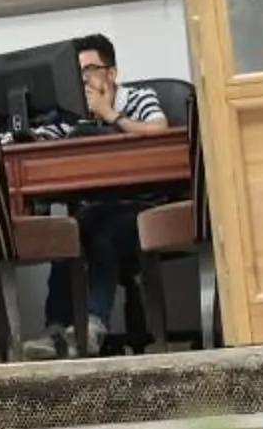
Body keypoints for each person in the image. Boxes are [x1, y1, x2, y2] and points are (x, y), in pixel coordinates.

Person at [29, 33, 170, 355]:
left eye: (91, 69)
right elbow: (38, 141)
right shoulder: (71, 111)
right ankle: (55, 331)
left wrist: (110, 115)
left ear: (112, 72)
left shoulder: (138, 98)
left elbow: (159, 129)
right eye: (78, 73)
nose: (84, 79)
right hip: (92, 210)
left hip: (140, 208)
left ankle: (92, 325)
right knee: (69, 233)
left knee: (101, 231)